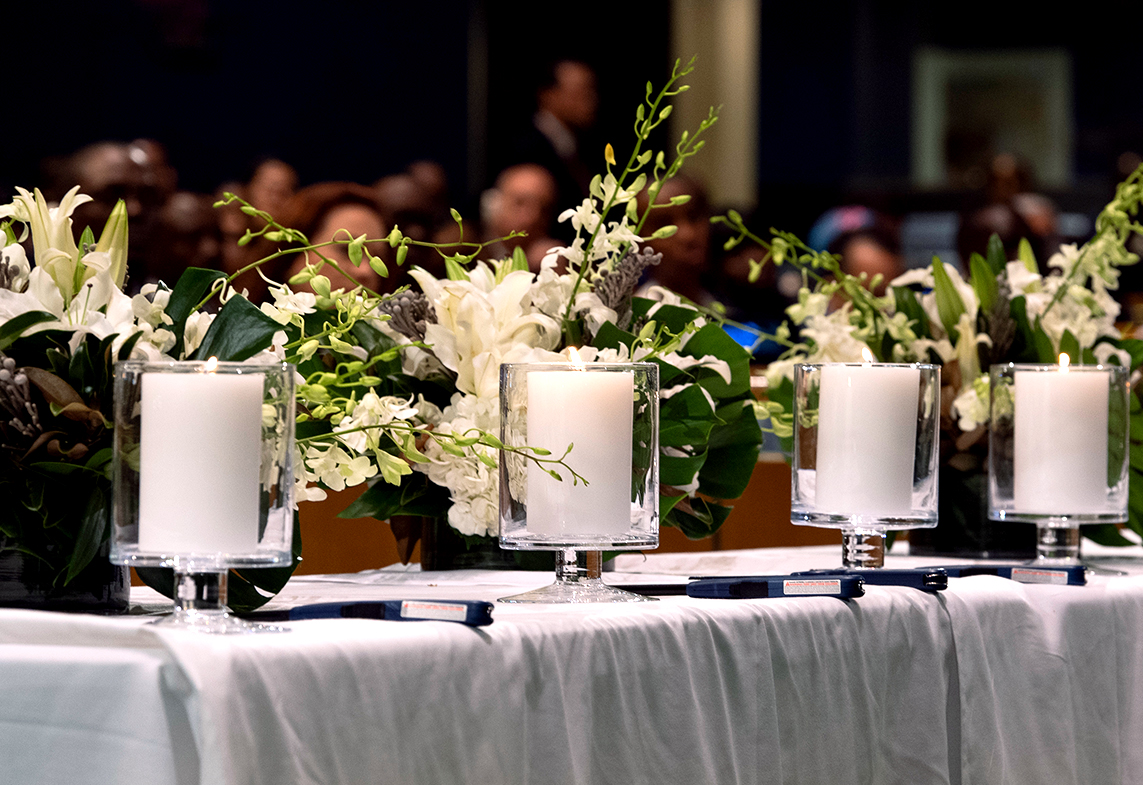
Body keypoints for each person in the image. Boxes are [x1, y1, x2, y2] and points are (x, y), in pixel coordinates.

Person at [480, 163, 559, 271]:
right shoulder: (463, 250)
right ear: (493, 204)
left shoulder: (550, 259)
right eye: (520, 203)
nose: (534, 217)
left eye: (544, 208)